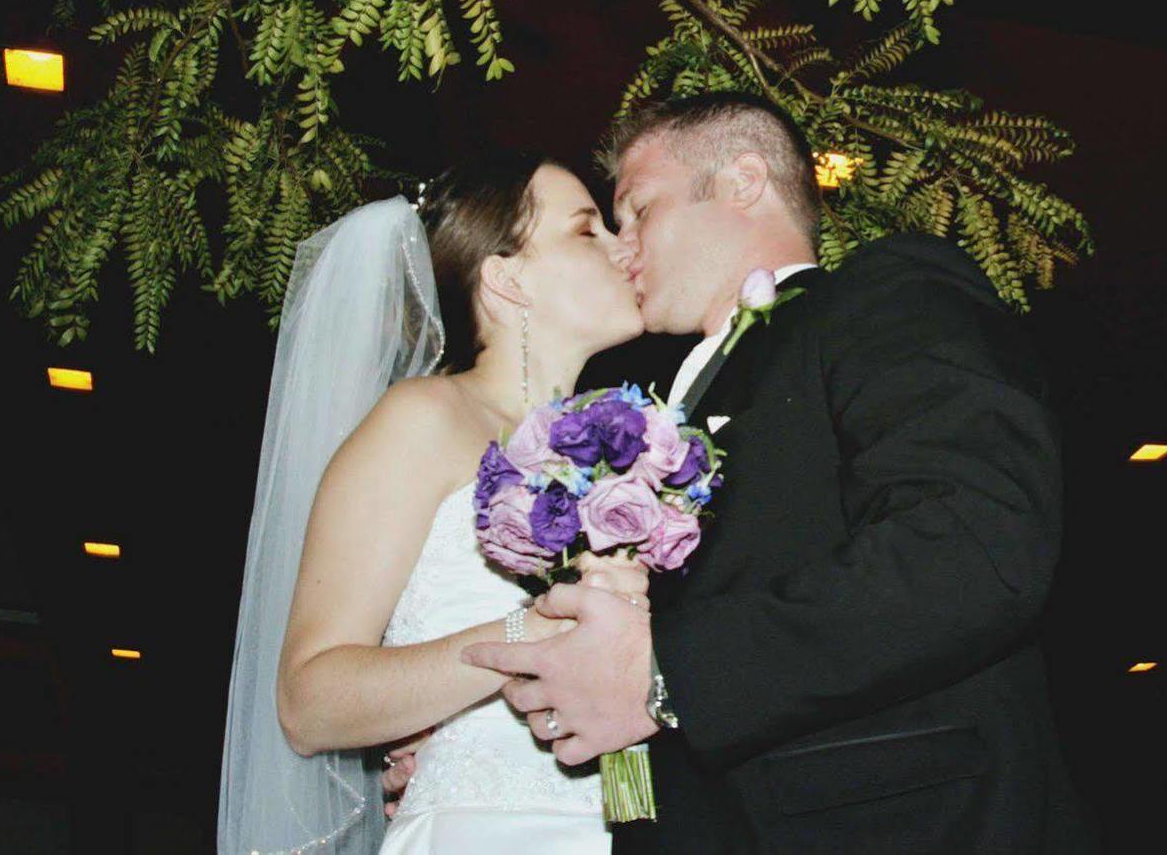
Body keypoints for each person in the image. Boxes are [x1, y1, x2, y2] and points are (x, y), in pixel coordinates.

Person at [457, 93, 1096, 853]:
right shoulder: (650, 414)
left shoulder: (885, 296)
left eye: (639, 211)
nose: (623, 247)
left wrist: (666, 676)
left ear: (743, 182)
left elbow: (976, 541)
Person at [217, 153, 649, 854]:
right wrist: (528, 634)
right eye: (586, 231)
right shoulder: (425, 419)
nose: (622, 246)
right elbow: (309, 701)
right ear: (508, 280)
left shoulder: (628, 450)